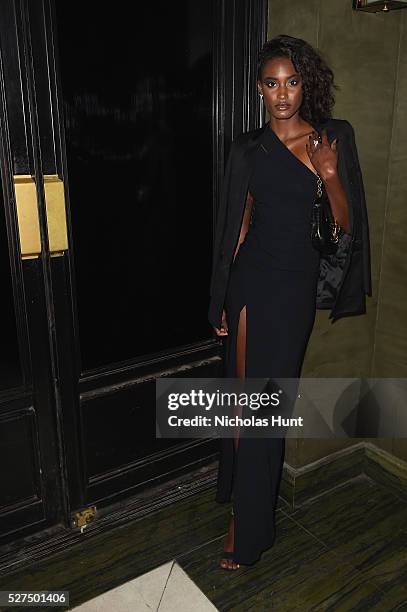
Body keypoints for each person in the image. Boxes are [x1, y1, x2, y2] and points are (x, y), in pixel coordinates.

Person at [207, 35, 372, 570]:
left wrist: (327, 172)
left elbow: (347, 226)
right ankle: (244, 514)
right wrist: (223, 300)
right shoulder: (246, 149)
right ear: (260, 90)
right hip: (250, 283)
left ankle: (252, 520)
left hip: (294, 287)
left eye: (292, 82)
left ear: (306, 85)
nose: (283, 94)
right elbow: (239, 224)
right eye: (272, 84)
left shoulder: (333, 138)